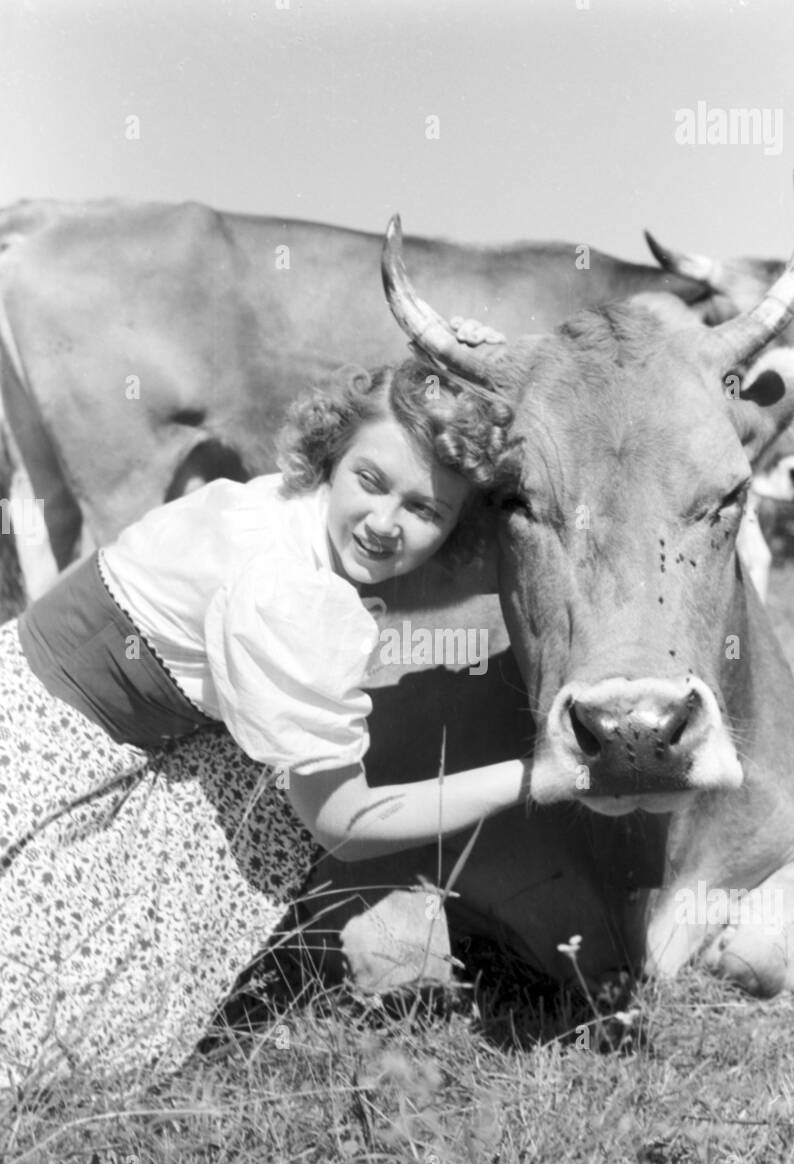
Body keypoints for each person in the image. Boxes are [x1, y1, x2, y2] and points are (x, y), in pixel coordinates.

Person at [0, 345, 530, 1090]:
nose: (384, 523)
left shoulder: (276, 505)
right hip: (42, 752)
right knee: (47, 1029)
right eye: (371, 482)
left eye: (423, 510)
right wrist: (530, 778)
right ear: (332, 456)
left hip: (28, 698)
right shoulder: (290, 591)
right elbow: (344, 822)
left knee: (275, 763)